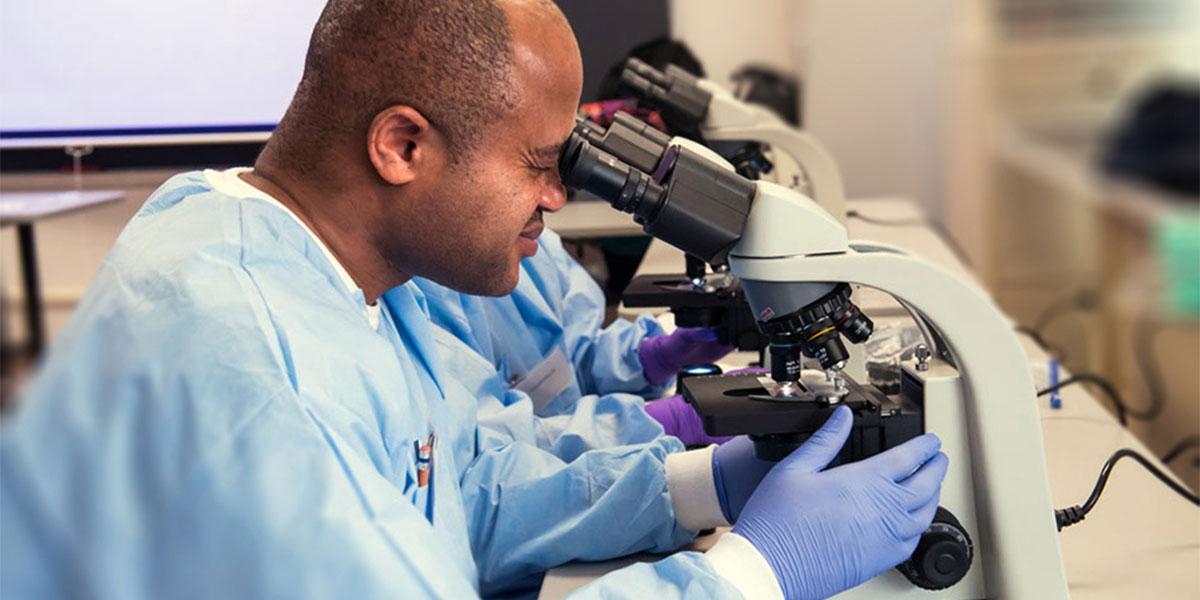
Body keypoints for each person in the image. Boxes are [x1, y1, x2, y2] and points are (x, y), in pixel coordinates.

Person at [0, 1, 948, 599]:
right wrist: (751, 575)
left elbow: (458, 492)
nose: (554, 197)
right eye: (540, 164)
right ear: (402, 147)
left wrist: (696, 482)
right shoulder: (252, 368)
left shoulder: (324, 271)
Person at [415, 227, 735, 451]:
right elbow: (493, 465)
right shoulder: (414, 302)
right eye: (531, 164)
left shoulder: (534, 244)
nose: (554, 197)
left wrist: (652, 358)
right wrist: (662, 424)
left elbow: (574, 360)